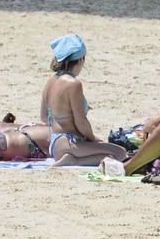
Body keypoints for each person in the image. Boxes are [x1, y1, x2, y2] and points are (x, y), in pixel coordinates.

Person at [40, 34, 126, 166]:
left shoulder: (51, 81)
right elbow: (81, 122)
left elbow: (44, 117)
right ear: (80, 60)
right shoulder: (73, 84)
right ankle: (73, 160)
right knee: (120, 153)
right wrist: (93, 139)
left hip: (55, 144)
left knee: (107, 154)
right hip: (70, 143)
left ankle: (71, 158)